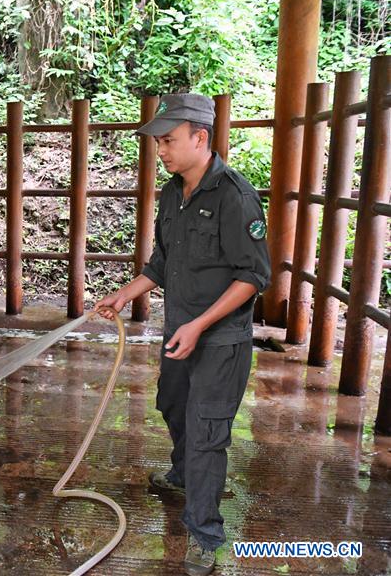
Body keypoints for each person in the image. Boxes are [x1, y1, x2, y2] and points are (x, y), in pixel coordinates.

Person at [93, 93, 271, 576]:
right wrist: (125, 295)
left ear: (200, 138)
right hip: (181, 333)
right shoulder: (174, 192)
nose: (162, 151)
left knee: (208, 434)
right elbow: (162, 263)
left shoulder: (236, 196)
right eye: (158, 142)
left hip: (219, 341)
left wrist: (198, 325)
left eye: (169, 141)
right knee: (173, 407)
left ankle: (205, 534)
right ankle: (181, 474)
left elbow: (253, 277)